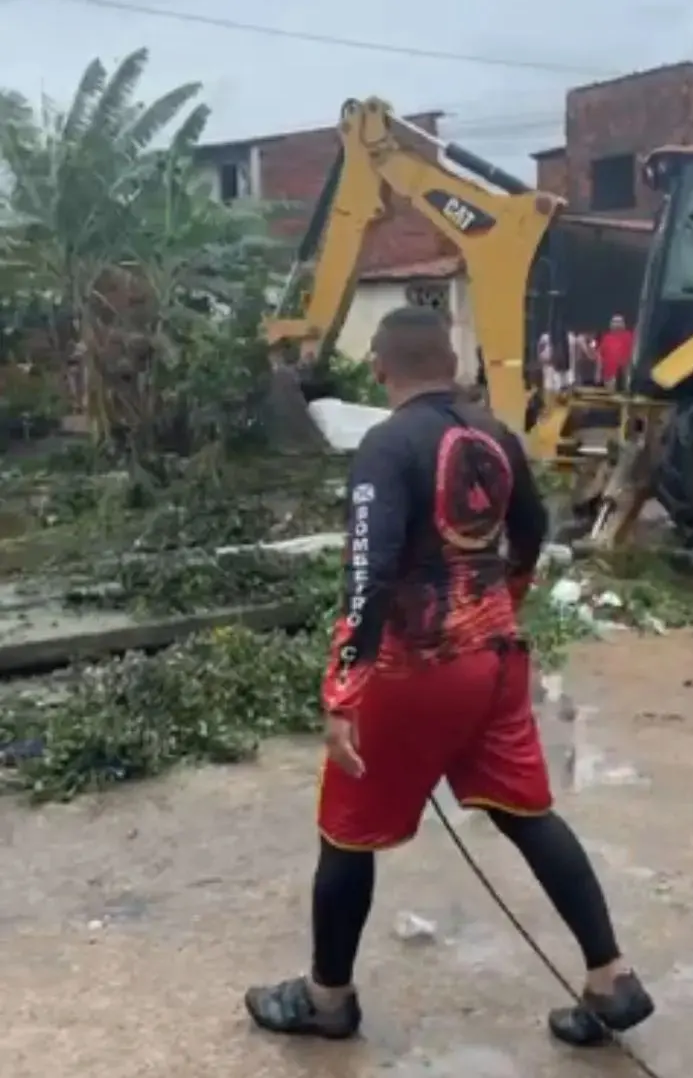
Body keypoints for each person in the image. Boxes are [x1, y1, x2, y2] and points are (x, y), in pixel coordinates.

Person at [243, 307, 653, 1047]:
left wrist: (342, 691)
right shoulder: (496, 437)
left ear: (380, 368)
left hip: (413, 670)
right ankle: (611, 977)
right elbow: (531, 534)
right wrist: (499, 606)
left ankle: (327, 998)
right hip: (493, 661)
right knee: (528, 815)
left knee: (346, 833)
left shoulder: (385, 445)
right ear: (454, 360)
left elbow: (366, 575)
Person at [597, 315, 635, 389]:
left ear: (623, 324)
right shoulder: (606, 338)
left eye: (619, 322)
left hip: (625, 375)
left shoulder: (630, 336)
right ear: (611, 324)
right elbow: (600, 356)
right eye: (615, 322)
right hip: (609, 375)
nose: (617, 324)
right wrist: (598, 373)